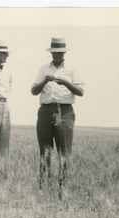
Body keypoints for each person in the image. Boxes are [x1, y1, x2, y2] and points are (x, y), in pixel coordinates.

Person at [31, 37, 84, 192]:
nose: (57, 55)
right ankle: (44, 187)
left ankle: (63, 188)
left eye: (60, 52)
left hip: (65, 111)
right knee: (45, 150)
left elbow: (81, 92)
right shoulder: (43, 69)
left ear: (64, 53)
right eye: (54, 52)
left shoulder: (72, 69)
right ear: (51, 53)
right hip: (46, 111)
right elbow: (33, 91)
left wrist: (65, 82)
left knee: (64, 151)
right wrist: (44, 82)